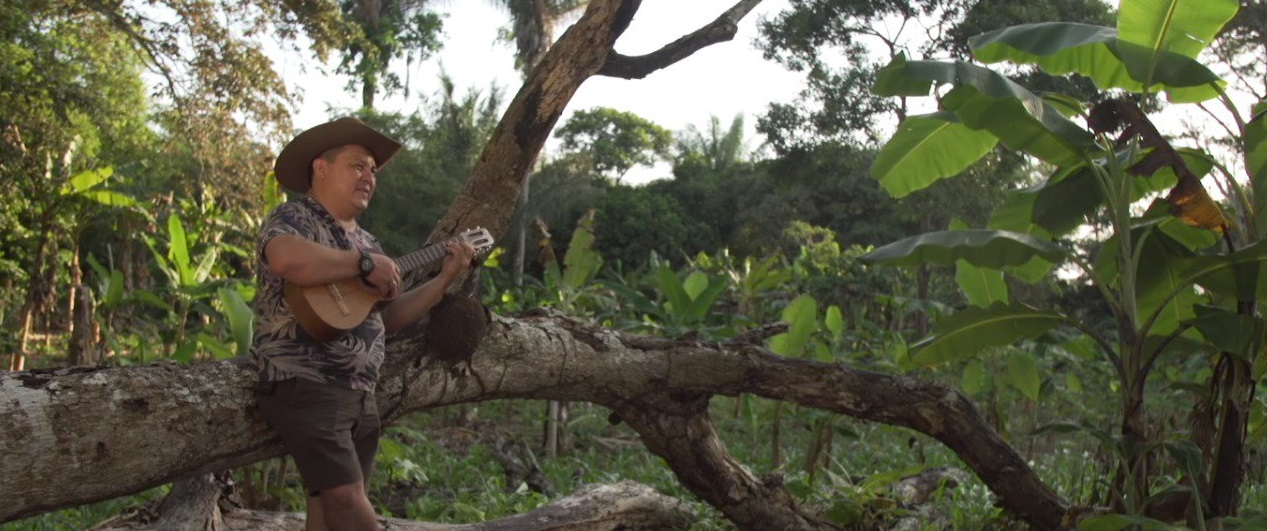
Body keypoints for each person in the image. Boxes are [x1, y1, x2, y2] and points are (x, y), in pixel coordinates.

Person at [251, 117, 476, 530]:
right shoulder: (297, 217)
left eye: (373, 170)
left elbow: (387, 318)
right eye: (358, 165)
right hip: (308, 382)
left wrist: (444, 279)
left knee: (326, 511)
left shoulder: (369, 242)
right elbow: (285, 258)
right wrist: (362, 264)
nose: (369, 177)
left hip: (357, 394)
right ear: (321, 168)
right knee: (347, 502)